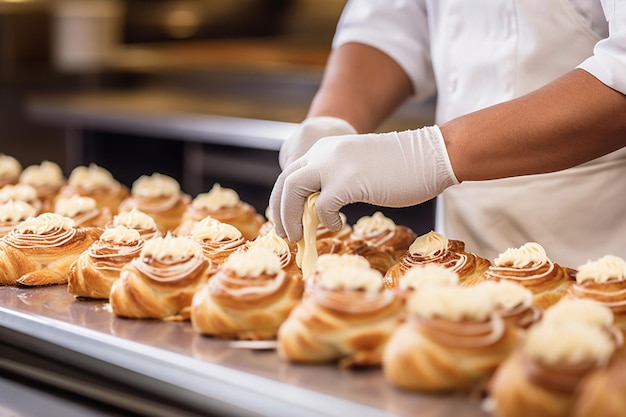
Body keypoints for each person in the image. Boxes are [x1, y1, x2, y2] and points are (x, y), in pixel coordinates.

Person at [269, 0, 626, 268]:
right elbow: (389, 22)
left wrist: (429, 154)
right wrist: (332, 121)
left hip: (594, 252)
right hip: (452, 261)